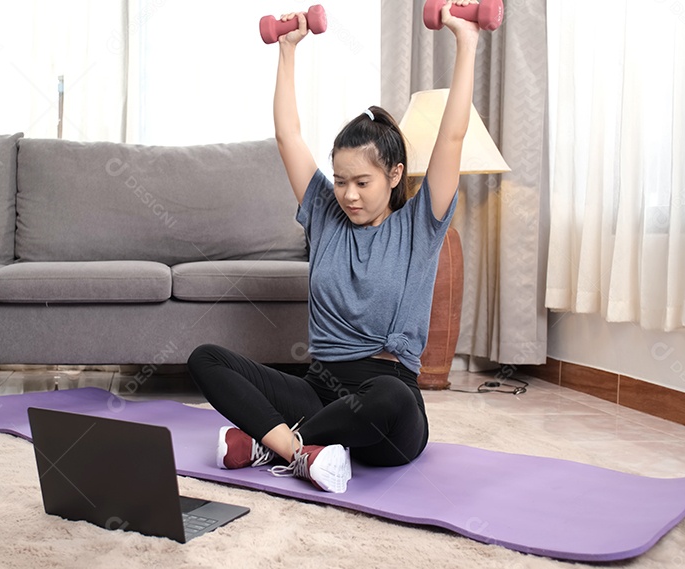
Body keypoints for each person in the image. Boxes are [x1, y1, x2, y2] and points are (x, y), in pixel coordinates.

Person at [187, 2, 481, 493]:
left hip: (387, 411)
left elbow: (452, 137)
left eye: (362, 182)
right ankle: (300, 451)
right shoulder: (325, 215)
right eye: (340, 180)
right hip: (319, 391)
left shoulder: (420, 224)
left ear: (393, 175)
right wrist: (286, 51)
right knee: (206, 358)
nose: (347, 194)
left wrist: (466, 42)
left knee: (388, 395)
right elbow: (288, 137)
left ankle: (271, 445)